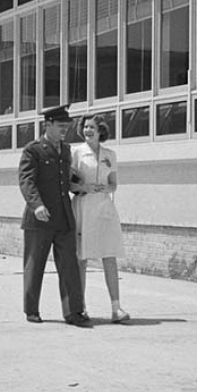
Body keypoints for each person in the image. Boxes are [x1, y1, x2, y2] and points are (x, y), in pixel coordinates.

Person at [18, 105, 89, 326]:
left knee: (69, 265)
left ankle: (73, 312)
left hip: (64, 217)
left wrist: (78, 186)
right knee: (34, 264)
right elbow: (26, 181)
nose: (64, 130)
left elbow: (64, 179)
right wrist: (37, 205)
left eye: (67, 127)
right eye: (60, 126)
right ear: (47, 125)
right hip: (40, 218)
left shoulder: (66, 150)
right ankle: (31, 309)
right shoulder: (33, 150)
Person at [70, 114, 131, 323]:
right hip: (83, 206)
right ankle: (81, 307)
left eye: (92, 127)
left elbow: (114, 183)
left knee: (109, 256)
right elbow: (69, 184)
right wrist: (84, 187)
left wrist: (104, 187)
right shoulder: (75, 153)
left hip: (104, 208)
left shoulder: (110, 155)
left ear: (101, 130)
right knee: (81, 258)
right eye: (85, 127)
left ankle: (116, 308)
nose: (87, 130)